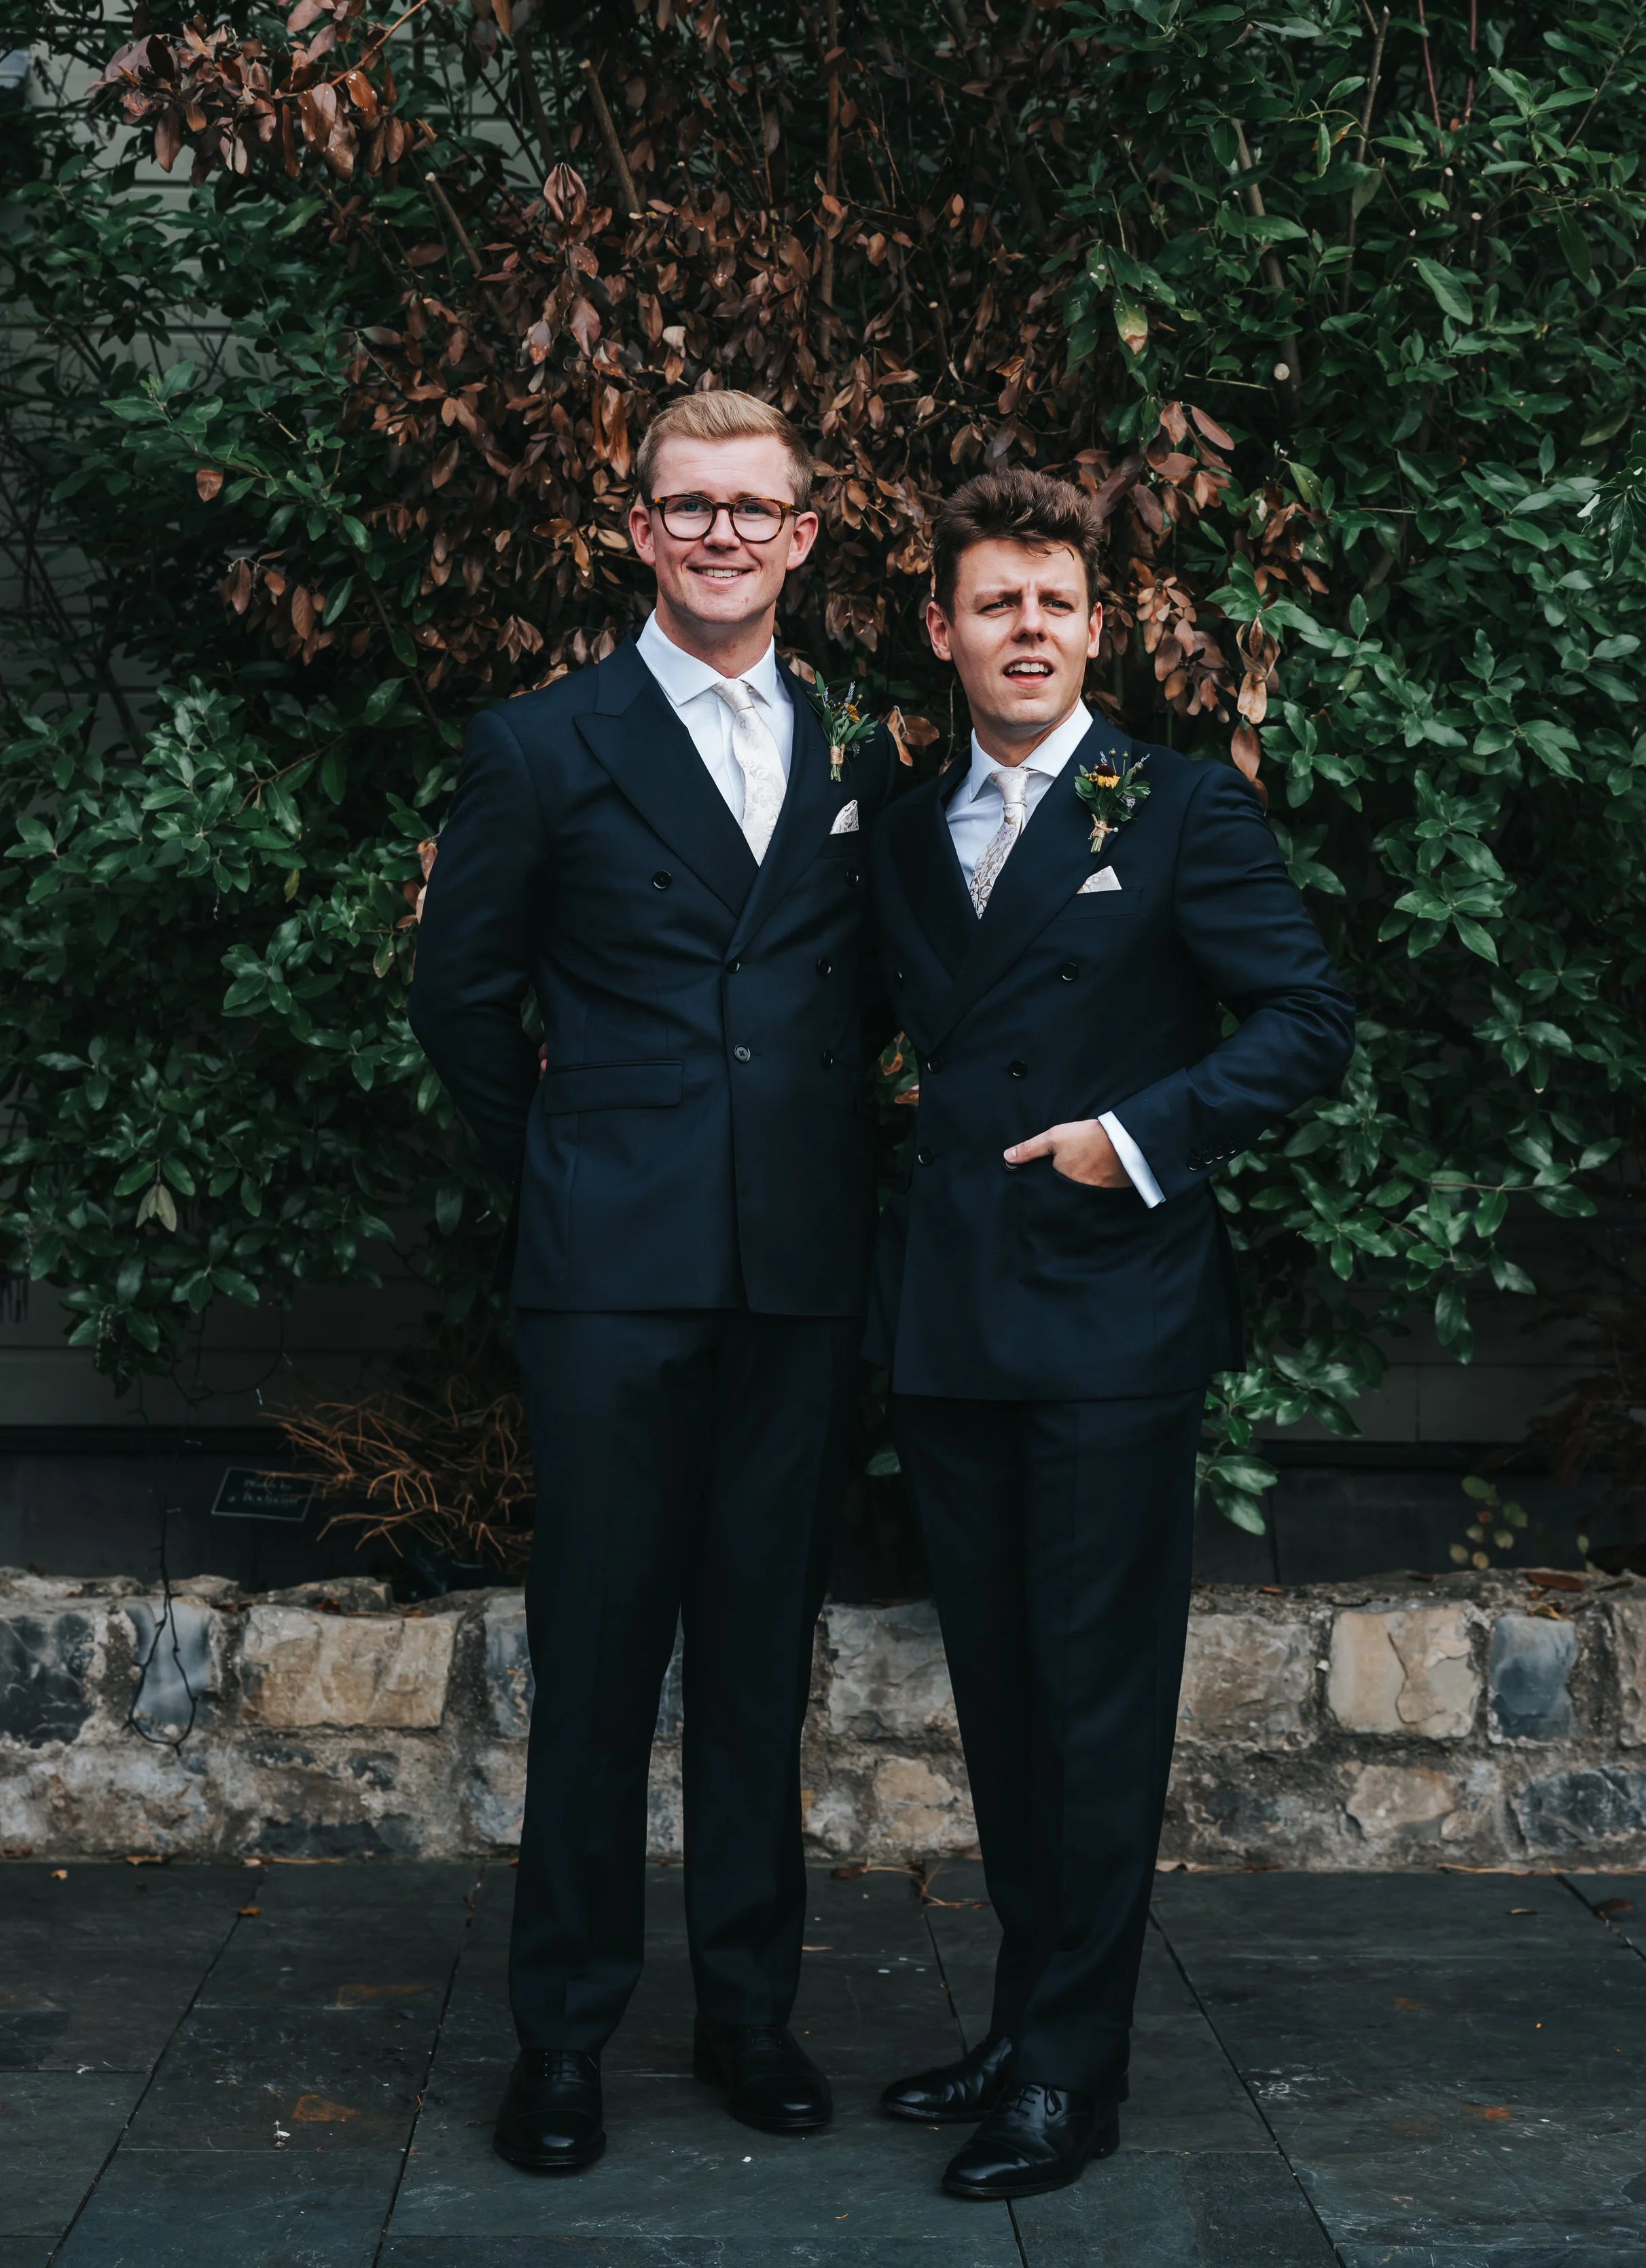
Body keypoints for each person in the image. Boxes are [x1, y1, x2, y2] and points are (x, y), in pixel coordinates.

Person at [409, 390, 905, 2174]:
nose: (719, 535)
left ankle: (748, 2013)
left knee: (760, 1665)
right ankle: (562, 2037)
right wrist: (572, 1157)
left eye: (751, 508)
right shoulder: (541, 743)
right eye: (686, 506)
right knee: (601, 1663)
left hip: (799, 1278)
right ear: (637, 530)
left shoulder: (860, 752)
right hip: (611, 1278)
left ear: (801, 536)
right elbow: (460, 1000)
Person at [866, 469, 1355, 2201]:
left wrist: (1132, 1136)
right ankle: (1024, 2025)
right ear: (942, 629)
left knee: (1093, 1708)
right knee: (1003, 1703)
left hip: (1106, 1316)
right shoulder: (902, 828)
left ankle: (1071, 2079)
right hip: (949, 1322)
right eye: (994, 603)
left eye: (1054, 604)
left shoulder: (1175, 807)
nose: (1027, 630)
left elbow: (1305, 1019)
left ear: (1095, 627)